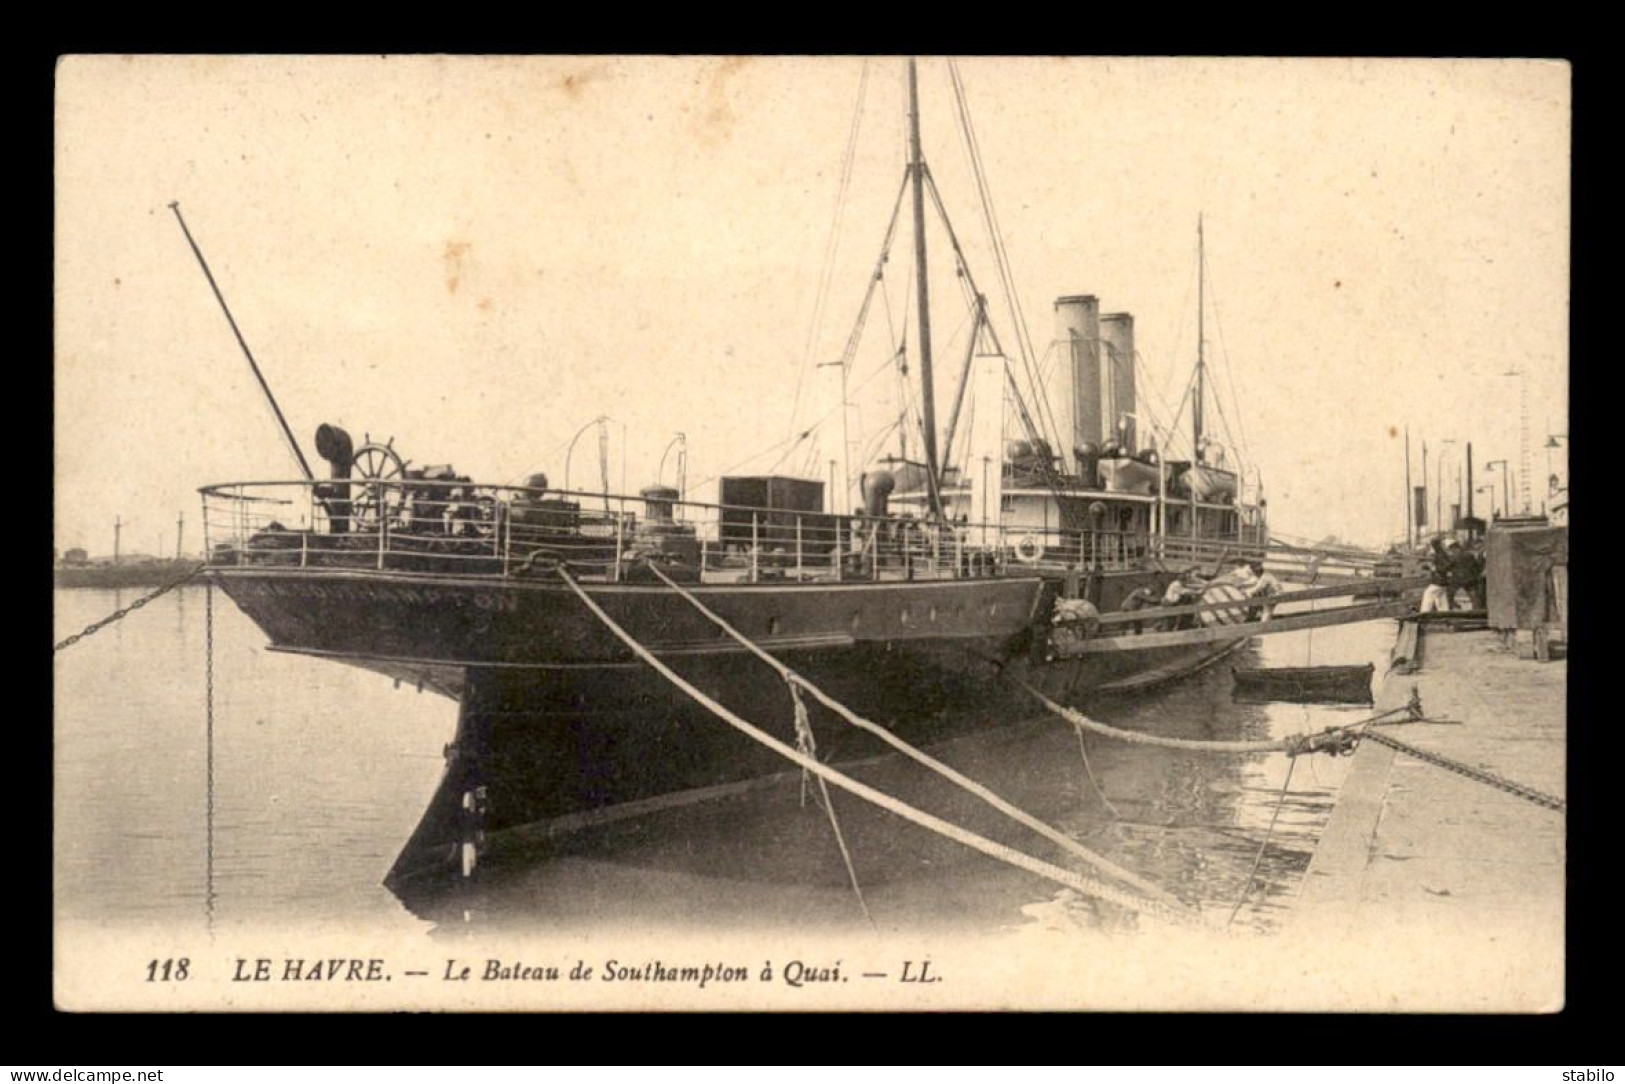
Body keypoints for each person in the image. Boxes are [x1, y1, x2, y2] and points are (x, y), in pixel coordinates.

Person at [1419, 535, 1456, 613]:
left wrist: (1434, 568)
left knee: (1428, 594)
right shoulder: (1442, 553)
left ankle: (1424, 614)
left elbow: (1446, 566)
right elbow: (1449, 564)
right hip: (1443, 581)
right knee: (1441, 599)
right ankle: (1444, 615)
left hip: (1438, 580)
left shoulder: (1439, 554)